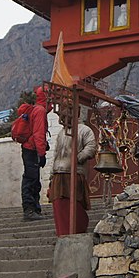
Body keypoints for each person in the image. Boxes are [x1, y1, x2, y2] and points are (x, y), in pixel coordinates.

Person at [48, 108, 97, 236]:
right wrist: (51, 175)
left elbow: (91, 148)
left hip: (75, 173)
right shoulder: (60, 133)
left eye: (64, 116)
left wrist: (77, 158)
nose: (61, 119)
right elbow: (56, 153)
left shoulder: (85, 130)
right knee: (60, 205)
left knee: (75, 205)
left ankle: (76, 230)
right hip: (59, 174)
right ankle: (63, 233)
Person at [20, 86, 49, 221]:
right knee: (31, 180)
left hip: (29, 149)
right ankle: (30, 210)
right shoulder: (40, 111)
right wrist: (41, 153)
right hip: (32, 150)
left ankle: (34, 209)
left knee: (32, 179)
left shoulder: (37, 109)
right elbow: (39, 134)